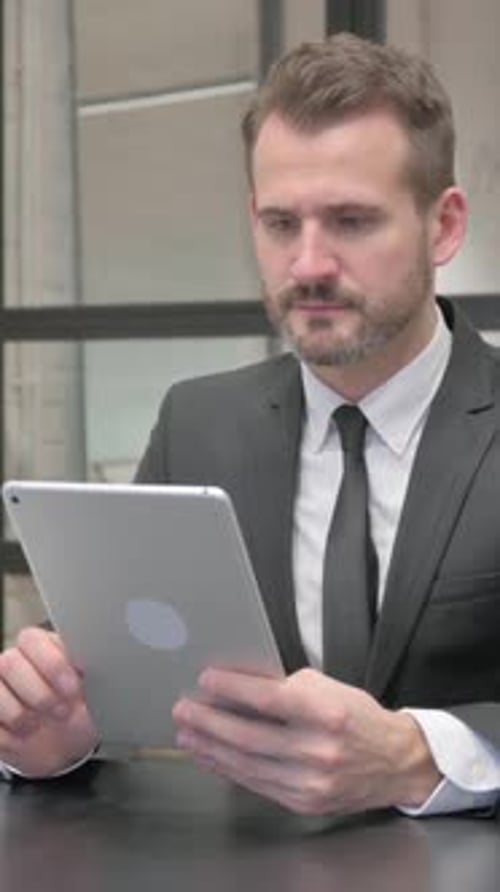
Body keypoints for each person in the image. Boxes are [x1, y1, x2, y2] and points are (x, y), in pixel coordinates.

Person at [1, 32, 500, 817]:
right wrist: (50, 737)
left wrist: (418, 758)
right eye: (280, 223)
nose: (308, 264)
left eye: (351, 221)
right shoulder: (197, 423)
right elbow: (98, 679)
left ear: (443, 226)